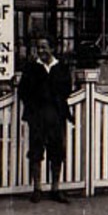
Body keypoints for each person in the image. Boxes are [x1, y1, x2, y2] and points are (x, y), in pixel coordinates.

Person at [18, 36, 75, 203]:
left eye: (44, 47)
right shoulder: (31, 68)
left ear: (52, 49)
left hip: (56, 116)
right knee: (36, 152)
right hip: (37, 117)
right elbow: (23, 91)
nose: (41, 51)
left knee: (57, 151)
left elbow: (67, 89)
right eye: (38, 48)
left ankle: (55, 189)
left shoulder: (61, 67)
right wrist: (34, 107)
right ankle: (37, 189)